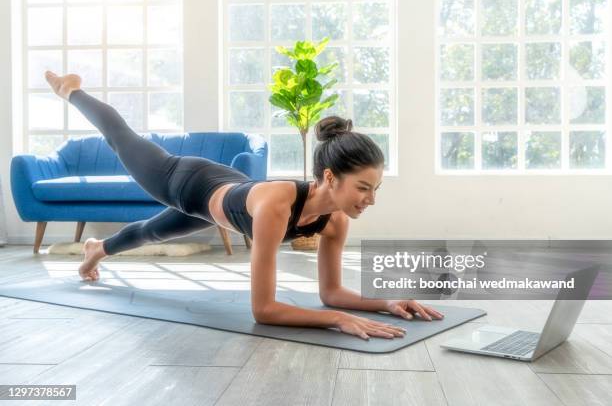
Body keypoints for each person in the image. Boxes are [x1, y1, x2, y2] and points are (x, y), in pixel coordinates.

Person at [44, 71, 444, 341]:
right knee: (120, 137)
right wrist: (337, 320)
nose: (370, 200)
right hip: (183, 179)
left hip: (222, 190)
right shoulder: (276, 207)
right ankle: (70, 89)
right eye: (363, 188)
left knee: (149, 232)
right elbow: (264, 309)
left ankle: (96, 249)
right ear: (329, 178)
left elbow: (332, 292)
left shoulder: (335, 221)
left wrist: (386, 303)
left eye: (375, 189)